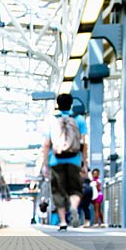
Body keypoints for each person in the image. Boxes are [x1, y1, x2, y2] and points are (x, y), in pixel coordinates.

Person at [38, 93, 88, 231]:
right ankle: (73, 207)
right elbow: (84, 143)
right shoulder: (79, 119)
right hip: (74, 159)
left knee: (58, 191)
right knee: (75, 189)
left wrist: (45, 164)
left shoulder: (51, 120)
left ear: (58, 105)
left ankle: (63, 222)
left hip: (56, 160)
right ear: (71, 104)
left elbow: (47, 144)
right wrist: (85, 162)